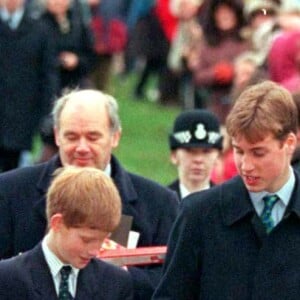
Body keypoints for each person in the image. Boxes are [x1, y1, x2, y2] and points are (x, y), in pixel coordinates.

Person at [0, 89, 179, 300]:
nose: (82, 147)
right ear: (57, 135)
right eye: (72, 136)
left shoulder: (159, 203)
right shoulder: (10, 191)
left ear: (115, 137)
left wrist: (116, 276)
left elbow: (173, 283)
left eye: (93, 137)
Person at [152, 80, 300, 300]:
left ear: (289, 143)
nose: (246, 165)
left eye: (258, 153)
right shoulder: (199, 214)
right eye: (239, 151)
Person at [0, 166, 133, 299]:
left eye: (103, 240)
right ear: (57, 223)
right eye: (86, 240)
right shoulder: (8, 278)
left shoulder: (115, 283)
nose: (95, 251)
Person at [0, 0, 58, 171]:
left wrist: (47, 109)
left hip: (23, 111)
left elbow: (48, 72)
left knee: (13, 167)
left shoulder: (40, 29)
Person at [167, 109, 223, 200]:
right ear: (174, 155)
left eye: (206, 151)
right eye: (189, 151)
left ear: (218, 157)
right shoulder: (160, 202)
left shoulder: (228, 205)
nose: (198, 159)